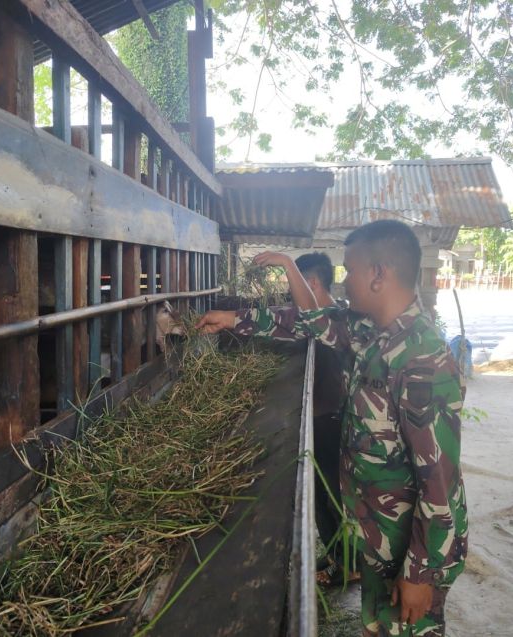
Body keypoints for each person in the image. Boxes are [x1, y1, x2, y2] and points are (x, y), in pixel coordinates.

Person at [197, 220, 468, 637]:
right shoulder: (370, 333)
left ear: (379, 274)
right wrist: (234, 318)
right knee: (377, 627)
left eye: (350, 270)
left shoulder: (422, 362)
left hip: (412, 551)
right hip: (378, 538)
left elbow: (440, 482)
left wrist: (422, 574)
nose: (344, 282)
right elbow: (310, 321)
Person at [252, 251, 356, 585]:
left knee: (331, 496)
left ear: (309, 283)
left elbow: (310, 318)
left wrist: (284, 261)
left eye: (293, 282)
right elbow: (282, 321)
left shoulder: (336, 319)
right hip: (321, 416)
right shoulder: (318, 318)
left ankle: (347, 565)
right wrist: (228, 318)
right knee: (320, 496)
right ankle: (338, 554)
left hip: (331, 420)